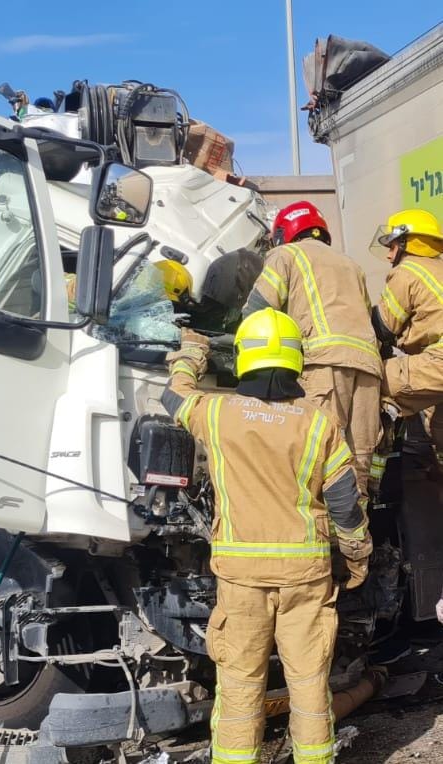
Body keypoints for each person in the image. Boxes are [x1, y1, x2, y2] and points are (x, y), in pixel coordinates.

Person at [162, 308, 372, 764]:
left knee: (239, 685)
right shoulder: (319, 424)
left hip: (241, 581)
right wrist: (357, 559)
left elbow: (173, 397)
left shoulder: (217, 415)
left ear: (243, 359)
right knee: (309, 683)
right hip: (306, 579)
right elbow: (345, 506)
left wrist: (192, 354)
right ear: (296, 360)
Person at [243, 201, 382, 506]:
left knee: (318, 456)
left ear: (283, 232)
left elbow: (257, 312)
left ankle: (314, 545)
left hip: (323, 364)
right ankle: (353, 547)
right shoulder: (351, 265)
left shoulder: (285, 255)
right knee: (357, 463)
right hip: (370, 369)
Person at [370, 209, 443, 456]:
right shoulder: (437, 268)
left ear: (405, 242)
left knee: (373, 377)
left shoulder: (407, 271)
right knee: (437, 427)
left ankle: (382, 458)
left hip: (439, 362)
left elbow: (383, 326)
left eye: (391, 245)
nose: (389, 255)